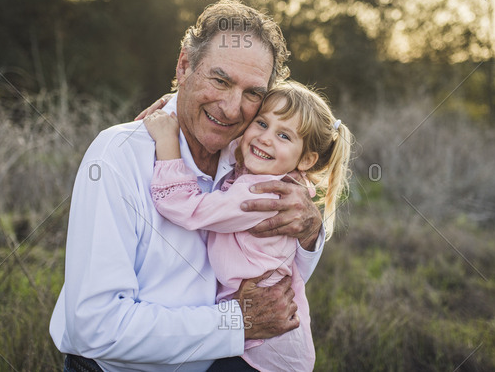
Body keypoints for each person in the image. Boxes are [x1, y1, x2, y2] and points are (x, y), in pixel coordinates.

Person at [50, 0, 326, 372]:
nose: (231, 108)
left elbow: (279, 269)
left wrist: (310, 230)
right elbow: (93, 327)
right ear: (184, 65)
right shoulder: (117, 157)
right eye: (220, 79)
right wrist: (234, 322)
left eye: (252, 94)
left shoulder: (250, 156)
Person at [143, 81, 352, 371]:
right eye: (261, 123)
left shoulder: (262, 195)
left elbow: (184, 206)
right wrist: (181, 102)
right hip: (264, 345)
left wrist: (167, 142)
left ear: (306, 159)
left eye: (283, 135)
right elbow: (231, 143)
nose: (265, 138)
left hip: (259, 354)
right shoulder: (275, 177)